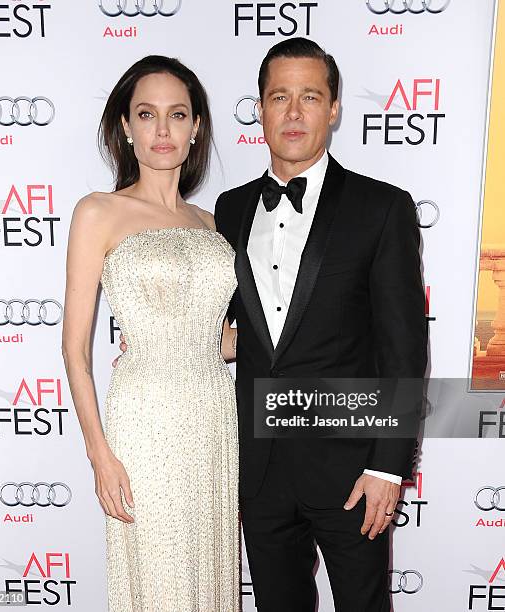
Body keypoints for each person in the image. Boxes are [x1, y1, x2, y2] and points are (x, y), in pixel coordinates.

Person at [117, 38, 427, 611]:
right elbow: (242, 331)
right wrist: (167, 347)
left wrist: (388, 464)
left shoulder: (382, 208)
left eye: (310, 97)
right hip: (257, 471)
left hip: (352, 469)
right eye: (278, 97)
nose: (293, 112)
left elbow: (404, 348)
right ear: (259, 108)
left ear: (333, 108)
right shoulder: (229, 211)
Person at [61, 55, 240, 612]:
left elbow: (220, 340)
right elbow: (75, 350)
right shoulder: (99, 212)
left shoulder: (214, 224)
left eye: (177, 115)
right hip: (144, 423)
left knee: (211, 578)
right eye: (146, 114)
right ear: (125, 127)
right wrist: (100, 455)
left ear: (196, 128)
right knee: (160, 577)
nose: (162, 130)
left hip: (214, 417)